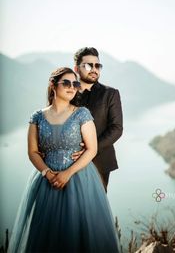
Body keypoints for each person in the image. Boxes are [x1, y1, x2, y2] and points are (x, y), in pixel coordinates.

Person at [8, 67, 120, 253]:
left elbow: (91, 150)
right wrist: (48, 173)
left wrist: (67, 174)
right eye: (66, 83)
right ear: (53, 85)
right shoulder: (37, 117)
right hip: (46, 181)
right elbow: (33, 152)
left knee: (79, 233)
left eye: (75, 83)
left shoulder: (82, 114)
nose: (72, 87)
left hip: (79, 180)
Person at [72, 47, 123, 191]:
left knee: (94, 210)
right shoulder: (68, 92)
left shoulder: (110, 94)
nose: (94, 69)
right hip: (67, 160)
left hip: (99, 162)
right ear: (76, 68)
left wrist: (90, 149)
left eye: (97, 65)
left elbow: (117, 128)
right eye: (88, 65)